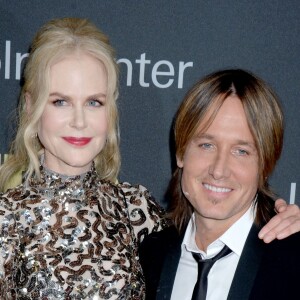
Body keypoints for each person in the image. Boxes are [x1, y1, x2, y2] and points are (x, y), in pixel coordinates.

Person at [0, 19, 298, 300]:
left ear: (110, 108)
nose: (79, 121)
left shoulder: (136, 210)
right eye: (60, 101)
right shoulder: (5, 219)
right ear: (31, 106)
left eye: (94, 102)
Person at [139, 69, 300, 300]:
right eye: (206, 145)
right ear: (181, 152)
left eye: (241, 151)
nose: (219, 170)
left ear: (265, 165)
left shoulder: (292, 262)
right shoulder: (149, 256)